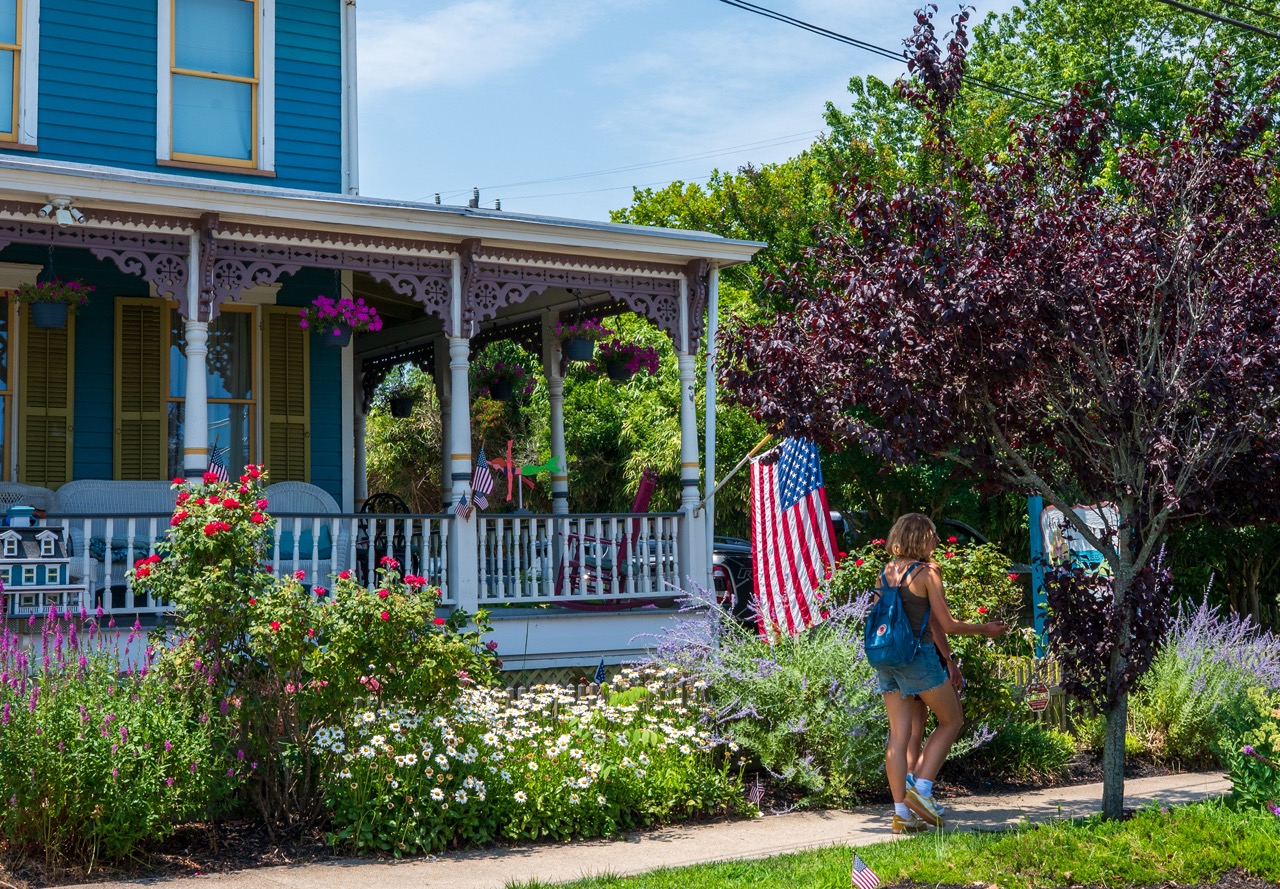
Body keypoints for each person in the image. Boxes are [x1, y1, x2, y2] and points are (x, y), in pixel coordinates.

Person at [874, 513, 1006, 833]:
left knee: (899, 735)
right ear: (921, 538)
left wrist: (946, 655)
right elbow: (945, 624)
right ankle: (922, 790)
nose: (935, 541)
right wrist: (985, 629)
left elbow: (892, 618)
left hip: (885, 658)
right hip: (917, 658)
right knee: (952, 720)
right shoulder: (927, 572)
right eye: (932, 536)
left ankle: (901, 816)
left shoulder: (886, 572)